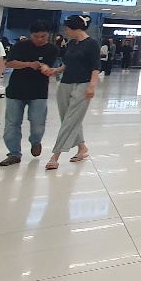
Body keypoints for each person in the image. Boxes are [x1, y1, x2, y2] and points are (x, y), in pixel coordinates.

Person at [0, 20, 60, 166]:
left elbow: (50, 66)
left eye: (43, 36)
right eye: (36, 36)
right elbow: (9, 63)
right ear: (31, 35)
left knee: (37, 123)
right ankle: (14, 153)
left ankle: (35, 141)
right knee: (12, 123)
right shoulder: (21, 46)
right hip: (16, 90)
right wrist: (29, 64)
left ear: (48, 35)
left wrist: (47, 69)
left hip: (38, 92)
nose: (39, 39)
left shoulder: (52, 49)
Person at [46, 16, 101, 171]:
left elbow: (96, 66)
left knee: (70, 120)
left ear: (76, 28)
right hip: (66, 83)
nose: (66, 32)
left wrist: (92, 86)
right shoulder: (71, 43)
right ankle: (82, 148)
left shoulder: (92, 44)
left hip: (83, 84)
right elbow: (68, 63)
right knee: (67, 118)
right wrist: (57, 70)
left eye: (67, 29)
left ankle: (55, 156)